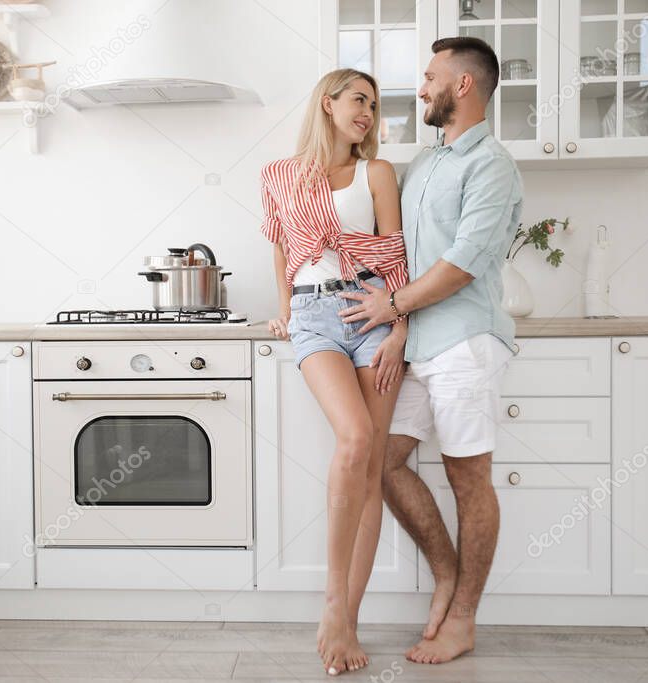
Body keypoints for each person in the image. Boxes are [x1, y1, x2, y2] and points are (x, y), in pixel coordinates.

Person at [338, 36, 524, 665]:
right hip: (417, 343)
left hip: (467, 340)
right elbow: (401, 259)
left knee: (468, 479)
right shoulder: (425, 162)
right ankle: (445, 576)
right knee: (385, 463)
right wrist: (395, 326)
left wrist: (391, 310)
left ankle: (464, 619)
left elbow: (461, 266)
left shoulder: (491, 164)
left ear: (462, 85)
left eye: (428, 76)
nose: (420, 88)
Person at [259, 68, 409, 675]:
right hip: (317, 316)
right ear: (328, 104)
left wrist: (399, 327)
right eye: (358, 100)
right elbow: (280, 247)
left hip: (372, 312)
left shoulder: (378, 173)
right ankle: (331, 602)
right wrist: (285, 311)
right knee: (354, 439)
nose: (368, 113)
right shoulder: (283, 176)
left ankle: (348, 616)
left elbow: (395, 253)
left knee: (370, 464)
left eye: (374, 105)